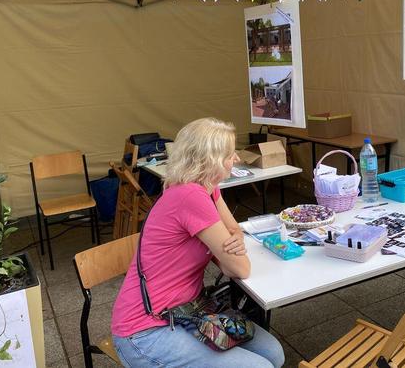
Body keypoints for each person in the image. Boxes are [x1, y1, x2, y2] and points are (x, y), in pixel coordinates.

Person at [111, 118, 284, 368]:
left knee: (274, 353)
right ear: (210, 159)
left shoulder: (207, 188)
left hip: (188, 310)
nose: (236, 158)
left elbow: (234, 229)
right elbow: (240, 269)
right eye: (229, 153)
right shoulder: (190, 195)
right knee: (262, 366)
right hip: (146, 330)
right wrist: (229, 253)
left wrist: (231, 243)